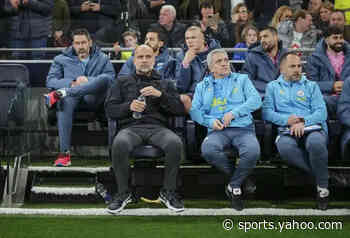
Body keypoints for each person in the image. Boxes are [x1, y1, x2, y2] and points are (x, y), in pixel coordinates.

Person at [105, 44, 186, 213]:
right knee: (119, 143)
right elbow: (110, 110)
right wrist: (129, 107)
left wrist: (161, 95)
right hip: (131, 128)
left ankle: (168, 192)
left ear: (154, 59)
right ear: (134, 60)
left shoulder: (164, 83)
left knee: (175, 143)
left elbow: (179, 110)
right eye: (140, 57)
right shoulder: (122, 82)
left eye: (148, 57)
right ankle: (123, 193)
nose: (144, 60)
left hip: (158, 128)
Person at [190, 49, 261, 211]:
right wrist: (210, 121)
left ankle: (234, 186)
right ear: (210, 68)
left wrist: (234, 113)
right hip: (217, 130)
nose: (224, 63)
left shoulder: (242, 79)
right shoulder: (202, 86)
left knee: (252, 151)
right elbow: (195, 111)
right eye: (219, 61)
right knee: (208, 150)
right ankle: (240, 178)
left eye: (225, 60)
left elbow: (256, 100)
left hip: (243, 128)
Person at [262, 52, 329, 210]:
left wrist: (302, 122)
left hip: (312, 128)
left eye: (299, 66)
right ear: (282, 68)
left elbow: (321, 113)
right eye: (292, 66)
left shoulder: (311, 86)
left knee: (316, 143)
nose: (297, 69)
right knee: (285, 148)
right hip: (286, 130)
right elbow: (267, 113)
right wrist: (287, 120)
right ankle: (321, 178)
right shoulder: (272, 87)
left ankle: (323, 190)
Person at [44, 29, 115, 167]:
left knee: (105, 78)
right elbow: (51, 81)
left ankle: (65, 92)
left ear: (90, 42)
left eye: (83, 42)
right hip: (71, 101)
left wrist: (87, 80)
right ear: (73, 44)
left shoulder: (103, 58)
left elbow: (112, 80)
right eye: (77, 43)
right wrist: (72, 82)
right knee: (65, 101)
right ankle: (64, 155)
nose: (81, 46)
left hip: (93, 100)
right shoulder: (60, 59)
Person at [306, 26, 350, 118]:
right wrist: (332, 86)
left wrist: (346, 87)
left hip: (347, 97)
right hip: (326, 98)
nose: (339, 41)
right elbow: (311, 85)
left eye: (341, 38)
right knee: (320, 102)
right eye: (335, 38)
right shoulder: (314, 58)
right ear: (326, 40)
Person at [242, 26, 288, 96]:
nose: (262, 40)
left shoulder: (286, 55)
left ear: (275, 37)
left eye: (265, 36)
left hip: (284, 96)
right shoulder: (253, 56)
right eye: (261, 38)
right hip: (262, 96)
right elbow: (247, 80)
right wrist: (269, 88)